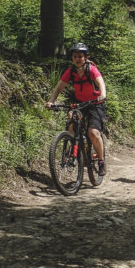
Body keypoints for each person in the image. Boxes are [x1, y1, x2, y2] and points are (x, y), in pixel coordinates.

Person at [46, 43, 108, 175]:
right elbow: (58, 88)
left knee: (93, 132)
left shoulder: (91, 70)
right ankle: (75, 146)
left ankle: (101, 162)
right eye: (75, 56)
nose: (77, 59)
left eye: (80, 56)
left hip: (95, 103)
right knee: (71, 117)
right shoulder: (71, 71)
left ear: (85, 57)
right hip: (80, 103)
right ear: (72, 58)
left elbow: (100, 82)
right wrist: (51, 101)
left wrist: (102, 95)